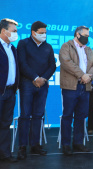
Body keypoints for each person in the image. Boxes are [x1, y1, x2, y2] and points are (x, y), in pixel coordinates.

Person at [17, 21, 56, 160]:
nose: (44, 35)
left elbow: (53, 65)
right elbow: (22, 63)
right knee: (25, 115)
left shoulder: (48, 47)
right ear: (33, 32)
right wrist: (35, 77)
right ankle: (22, 146)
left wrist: (43, 79)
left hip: (43, 85)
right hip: (28, 84)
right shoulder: (23, 43)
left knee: (38, 115)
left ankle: (35, 144)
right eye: (41, 33)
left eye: (45, 32)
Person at [59, 26, 93, 156]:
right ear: (77, 34)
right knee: (67, 116)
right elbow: (66, 63)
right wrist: (82, 75)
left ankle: (78, 143)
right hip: (71, 86)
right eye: (85, 35)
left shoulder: (89, 50)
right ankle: (65, 144)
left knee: (81, 116)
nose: (87, 37)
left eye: (88, 35)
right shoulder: (66, 46)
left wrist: (89, 76)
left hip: (85, 87)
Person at [0, 18, 19, 163]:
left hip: (10, 92)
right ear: (3, 31)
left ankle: (5, 154)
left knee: (6, 124)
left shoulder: (12, 48)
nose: (16, 34)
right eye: (14, 31)